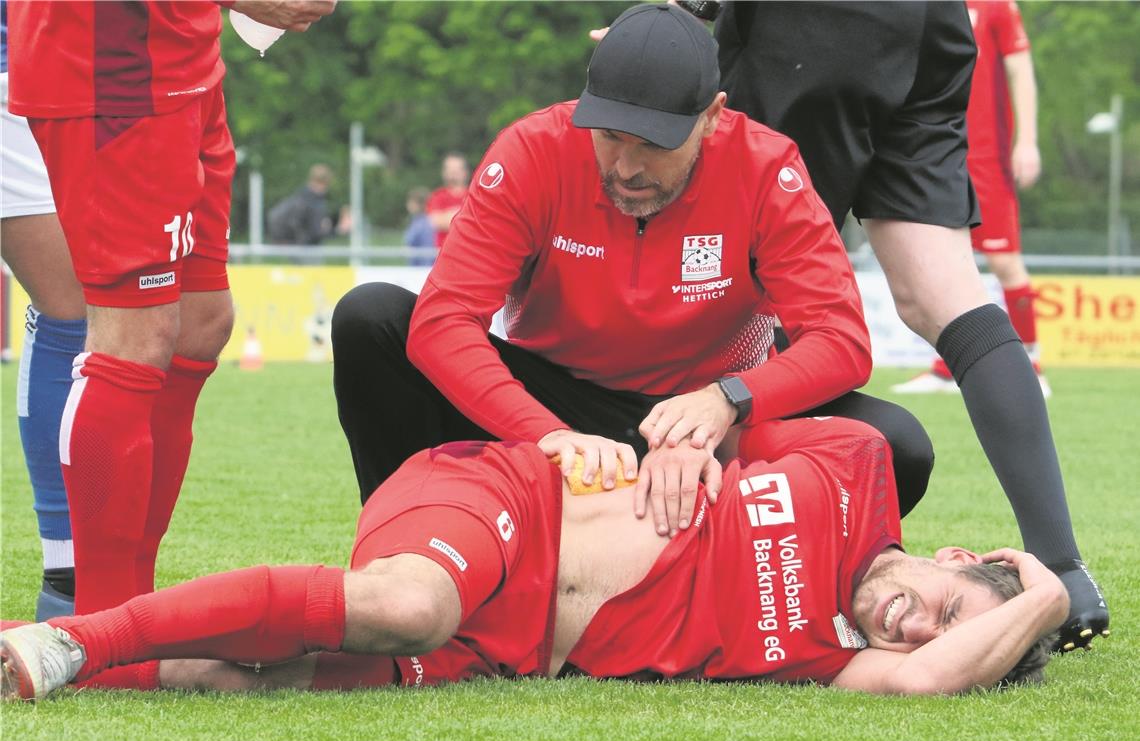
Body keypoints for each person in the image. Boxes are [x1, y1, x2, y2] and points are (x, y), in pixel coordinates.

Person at [332, 4, 934, 544]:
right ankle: (406, 554)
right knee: (370, 319)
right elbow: (443, 322)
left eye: (655, 143)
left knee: (896, 447)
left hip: (706, 417)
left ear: (712, 116)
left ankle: (737, 565)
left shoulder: (765, 166)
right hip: (556, 400)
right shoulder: (534, 151)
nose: (626, 166)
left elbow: (842, 341)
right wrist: (548, 434)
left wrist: (728, 401)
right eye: (611, 136)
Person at [0, 416, 1065, 701]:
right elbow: (722, 422)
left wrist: (1052, 592)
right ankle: (71, 638)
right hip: (507, 501)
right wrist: (689, 446)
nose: (918, 626)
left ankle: (35, 661)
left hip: (506, 648)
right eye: (944, 600)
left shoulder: (842, 660)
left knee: (251, 677)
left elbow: (928, 678)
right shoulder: (857, 462)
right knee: (408, 600)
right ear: (955, 551)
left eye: (945, 636)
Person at [708, 0, 1106, 651]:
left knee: (740, 256)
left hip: (813, 18)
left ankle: (723, 515)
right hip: (928, 19)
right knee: (942, 297)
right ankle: (1061, 568)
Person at [5, 0, 336, 616]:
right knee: (127, 331)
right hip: (107, 68)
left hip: (184, 64)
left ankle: (134, 605)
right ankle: (96, 618)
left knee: (202, 323)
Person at [893, 0, 1047, 397]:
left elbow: (1020, 69)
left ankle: (1032, 361)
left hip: (987, 155)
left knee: (1003, 260)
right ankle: (947, 368)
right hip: (935, 152)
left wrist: (1027, 141)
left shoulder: (997, 5)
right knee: (943, 262)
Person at [0, 0, 85, 621]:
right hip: (15, 76)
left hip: (49, 71)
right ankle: (66, 576)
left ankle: (70, 574)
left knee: (76, 312)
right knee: (71, 310)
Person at [267, 163, 336, 246]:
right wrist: (338, 229)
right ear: (325, 182)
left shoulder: (299, 196)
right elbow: (316, 232)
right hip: (303, 247)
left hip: (287, 244)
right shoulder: (314, 202)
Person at [424, 151, 471, 249]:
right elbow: (436, 222)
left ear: (465, 172)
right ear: (444, 172)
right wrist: (465, 215)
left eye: (456, 170)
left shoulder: (474, 195)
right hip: (443, 254)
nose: (453, 174)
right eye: (450, 170)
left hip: (469, 253)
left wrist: (449, 215)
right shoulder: (437, 196)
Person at [402, 186, 437, 265]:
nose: (408, 205)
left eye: (411, 202)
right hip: (415, 268)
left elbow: (427, 251)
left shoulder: (425, 224)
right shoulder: (415, 221)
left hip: (422, 270)